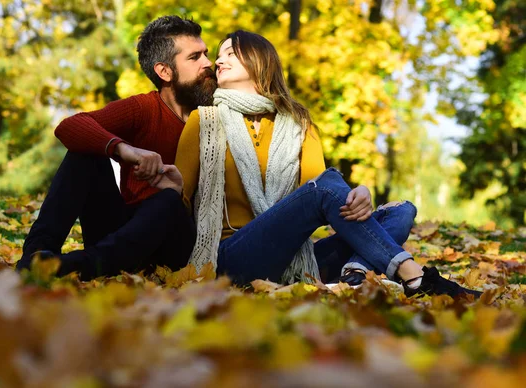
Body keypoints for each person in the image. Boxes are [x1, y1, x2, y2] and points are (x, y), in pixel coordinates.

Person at [154, 30, 481, 298]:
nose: (218, 61)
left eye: (230, 52)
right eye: (218, 54)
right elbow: (178, 204)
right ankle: (416, 277)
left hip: (297, 261)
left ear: (258, 60)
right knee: (327, 186)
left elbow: (319, 197)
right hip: (231, 258)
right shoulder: (205, 121)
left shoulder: (298, 124)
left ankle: (354, 278)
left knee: (401, 211)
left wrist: (360, 194)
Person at [15, 16, 217, 280]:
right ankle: (37, 256)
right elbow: (70, 126)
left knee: (168, 201)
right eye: (194, 57)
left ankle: (74, 267)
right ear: (164, 72)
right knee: (85, 152)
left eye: (206, 54)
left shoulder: (217, 115)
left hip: (176, 244)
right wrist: (124, 150)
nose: (208, 63)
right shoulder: (142, 109)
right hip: (121, 237)